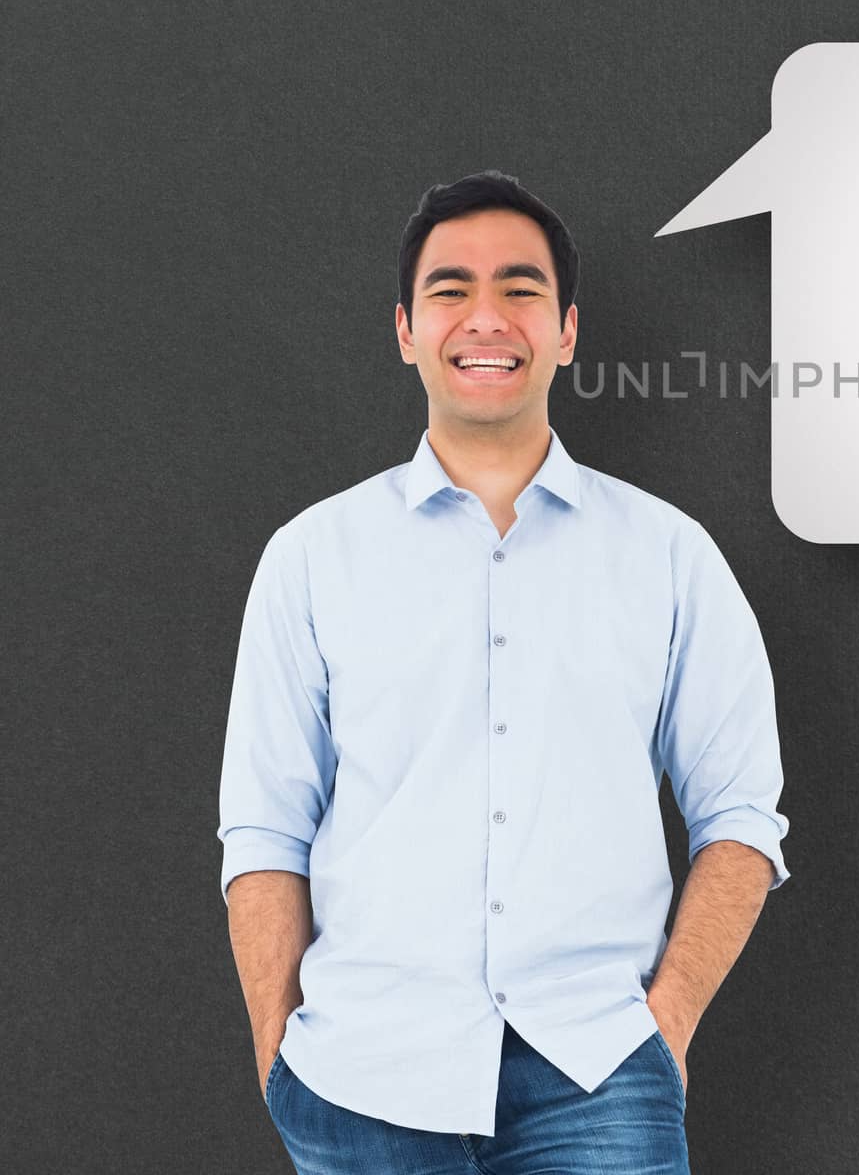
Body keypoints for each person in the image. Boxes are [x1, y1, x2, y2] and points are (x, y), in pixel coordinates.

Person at [217, 170, 791, 1174]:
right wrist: (277, 1051)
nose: (487, 316)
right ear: (405, 329)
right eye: (450, 289)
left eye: (522, 289)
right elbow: (266, 825)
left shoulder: (667, 555)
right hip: (360, 1081)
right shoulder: (312, 556)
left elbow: (742, 817)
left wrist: (667, 1025)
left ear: (567, 329)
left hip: (597, 1074)